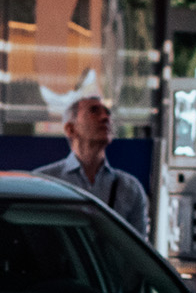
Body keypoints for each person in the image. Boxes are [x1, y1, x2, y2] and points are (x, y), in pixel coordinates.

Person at [33, 95, 149, 229]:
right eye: (94, 111)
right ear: (70, 129)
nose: (105, 117)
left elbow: (136, 246)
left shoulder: (130, 188)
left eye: (107, 112)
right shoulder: (44, 183)